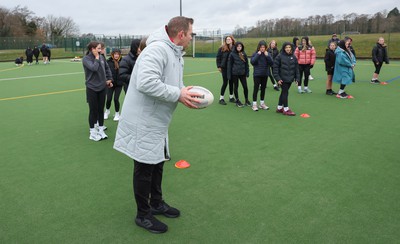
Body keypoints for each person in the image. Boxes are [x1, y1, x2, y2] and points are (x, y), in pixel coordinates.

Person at [113, 16, 200, 234]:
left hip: (157, 121)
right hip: (144, 120)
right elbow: (146, 83)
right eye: (190, 34)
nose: (191, 37)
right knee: (144, 167)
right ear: (181, 34)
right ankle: (143, 215)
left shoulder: (175, 54)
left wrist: (184, 93)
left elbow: (174, 85)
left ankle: (156, 203)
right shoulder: (157, 50)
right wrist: (177, 94)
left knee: (157, 161)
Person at [82, 41, 113, 141]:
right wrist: (96, 58)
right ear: (92, 49)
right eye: (98, 48)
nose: (100, 50)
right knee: (93, 110)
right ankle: (92, 132)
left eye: (100, 48)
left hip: (102, 87)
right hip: (92, 88)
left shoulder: (102, 57)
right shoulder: (86, 59)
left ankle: (100, 129)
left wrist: (109, 80)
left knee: (100, 109)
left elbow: (107, 69)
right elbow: (94, 68)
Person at [273, 42, 299, 116]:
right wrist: (278, 79)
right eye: (286, 47)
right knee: (285, 92)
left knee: (284, 92)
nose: (288, 49)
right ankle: (286, 109)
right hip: (282, 79)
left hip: (290, 79)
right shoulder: (279, 56)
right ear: (284, 48)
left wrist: (297, 78)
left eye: (289, 47)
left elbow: (296, 69)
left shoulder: (293, 57)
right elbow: (275, 69)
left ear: (291, 48)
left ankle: (279, 107)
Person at [250, 40, 273, 111]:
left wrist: (267, 56)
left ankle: (262, 104)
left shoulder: (268, 54)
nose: (262, 48)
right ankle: (254, 104)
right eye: (261, 47)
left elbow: (272, 63)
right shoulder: (255, 54)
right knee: (256, 89)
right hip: (257, 75)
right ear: (259, 47)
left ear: (265, 47)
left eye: (264, 47)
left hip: (265, 74)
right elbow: (252, 62)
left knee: (263, 89)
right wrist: (258, 54)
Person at [227, 42, 250, 108]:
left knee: (245, 87)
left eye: (240, 46)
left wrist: (247, 72)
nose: (239, 47)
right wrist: (229, 75)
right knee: (236, 87)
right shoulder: (232, 54)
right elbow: (229, 65)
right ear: (236, 47)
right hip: (235, 74)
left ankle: (246, 100)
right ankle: (237, 101)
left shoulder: (244, 54)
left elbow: (246, 64)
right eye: (238, 46)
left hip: (242, 73)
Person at [104, 48, 123, 121]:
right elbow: (106, 72)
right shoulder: (108, 61)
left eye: (118, 54)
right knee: (108, 98)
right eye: (115, 54)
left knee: (116, 99)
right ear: (112, 54)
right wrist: (108, 80)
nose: (116, 55)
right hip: (110, 83)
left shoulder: (123, 61)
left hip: (119, 84)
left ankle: (117, 113)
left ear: (120, 55)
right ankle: (107, 111)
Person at [216, 35, 236, 105]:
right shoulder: (222, 48)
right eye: (227, 39)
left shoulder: (235, 48)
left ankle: (231, 97)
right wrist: (219, 66)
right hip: (224, 68)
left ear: (232, 40)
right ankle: (221, 98)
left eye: (229, 39)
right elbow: (218, 58)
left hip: (232, 68)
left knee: (231, 82)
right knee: (225, 82)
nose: (228, 40)